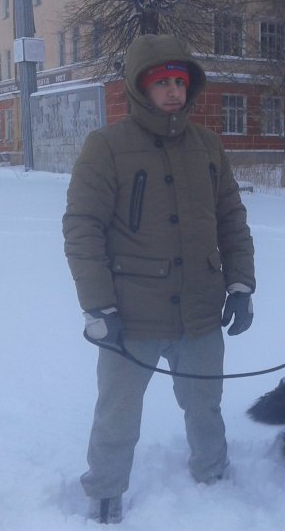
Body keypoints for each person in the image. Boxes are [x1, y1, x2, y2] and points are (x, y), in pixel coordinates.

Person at [62, 33, 256, 525]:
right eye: (161, 83)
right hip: (131, 315)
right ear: (139, 89)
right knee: (117, 413)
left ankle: (213, 476)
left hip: (200, 308)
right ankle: (105, 493)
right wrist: (98, 307)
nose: (173, 91)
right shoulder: (106, 146)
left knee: (205, 404)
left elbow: (231, 217)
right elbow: (83, 227)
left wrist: (240, 285)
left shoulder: (208, 145)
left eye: (179, 82)